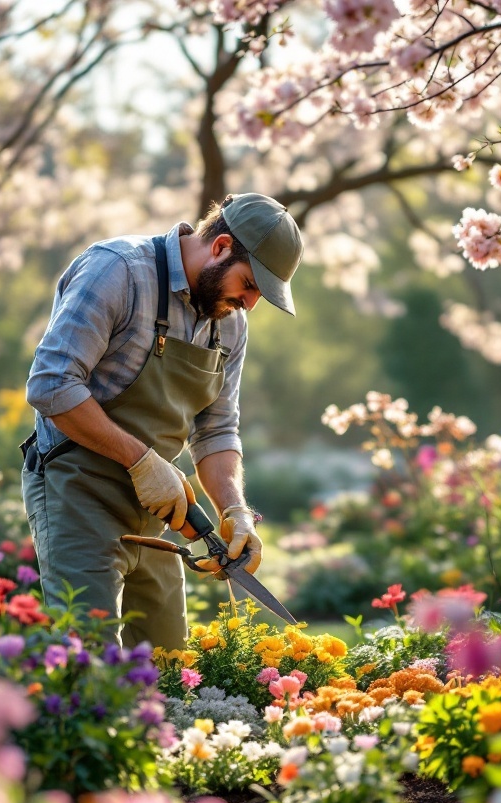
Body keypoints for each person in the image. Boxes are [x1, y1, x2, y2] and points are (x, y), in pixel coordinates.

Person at [22, 192, 303, 650]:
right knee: (87, 658)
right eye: (249, 284)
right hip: (77, 489)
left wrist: (235, 510)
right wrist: (141, 461)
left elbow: (216, 430)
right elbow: (51, 385)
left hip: (157, 508)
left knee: (169, 664)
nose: (250, 303)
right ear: (221, 247)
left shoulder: (228, 321)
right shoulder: (118, 271)